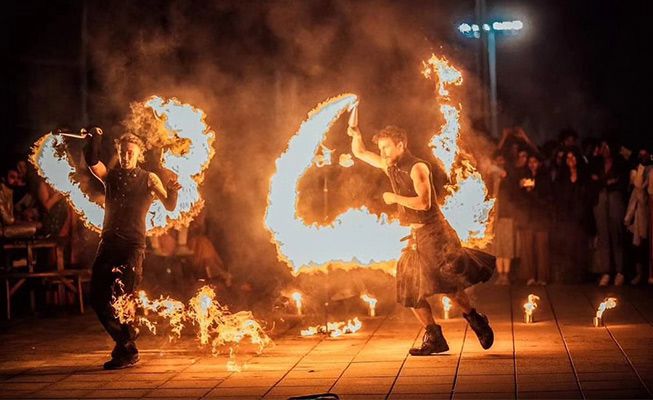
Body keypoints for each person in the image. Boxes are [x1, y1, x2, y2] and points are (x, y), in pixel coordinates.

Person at [348, 124, 495, 356]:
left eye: (386, 147)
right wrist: (356, 134)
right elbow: (360, 152)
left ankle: (476, 319)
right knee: (410, 290)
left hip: (436, 235)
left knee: (449, 287)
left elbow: (424, 203)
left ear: (400, 145)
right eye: (381, 148)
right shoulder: (390, 165)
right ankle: (434, 337)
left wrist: (394, 198)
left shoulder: (417, 168)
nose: (382, 152)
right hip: (414, 237)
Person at [84, 127, 180, 369]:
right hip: (108, 244)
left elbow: (169, 205)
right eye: (122, 152)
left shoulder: (148, 178)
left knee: (124, 297)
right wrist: (95, 138)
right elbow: (92, 162)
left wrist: (174, 190)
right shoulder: (111, 177)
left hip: (132, 246)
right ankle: (126, 340)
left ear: (138, 154)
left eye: (130, 152)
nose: (126, 156)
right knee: (96, 296)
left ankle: (126, 349)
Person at [590, 141, 628, 286]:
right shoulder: (597, 163)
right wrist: (607, 182)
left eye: (607, 146)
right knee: (603, 235)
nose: (604, 149)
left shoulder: (620, 163)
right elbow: (593, 180)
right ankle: (606, 271)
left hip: (615, 199)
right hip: (600, 200)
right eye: (602, 146)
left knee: (616, 234)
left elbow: (620, 182)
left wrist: (605, 182)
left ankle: (620, 271)